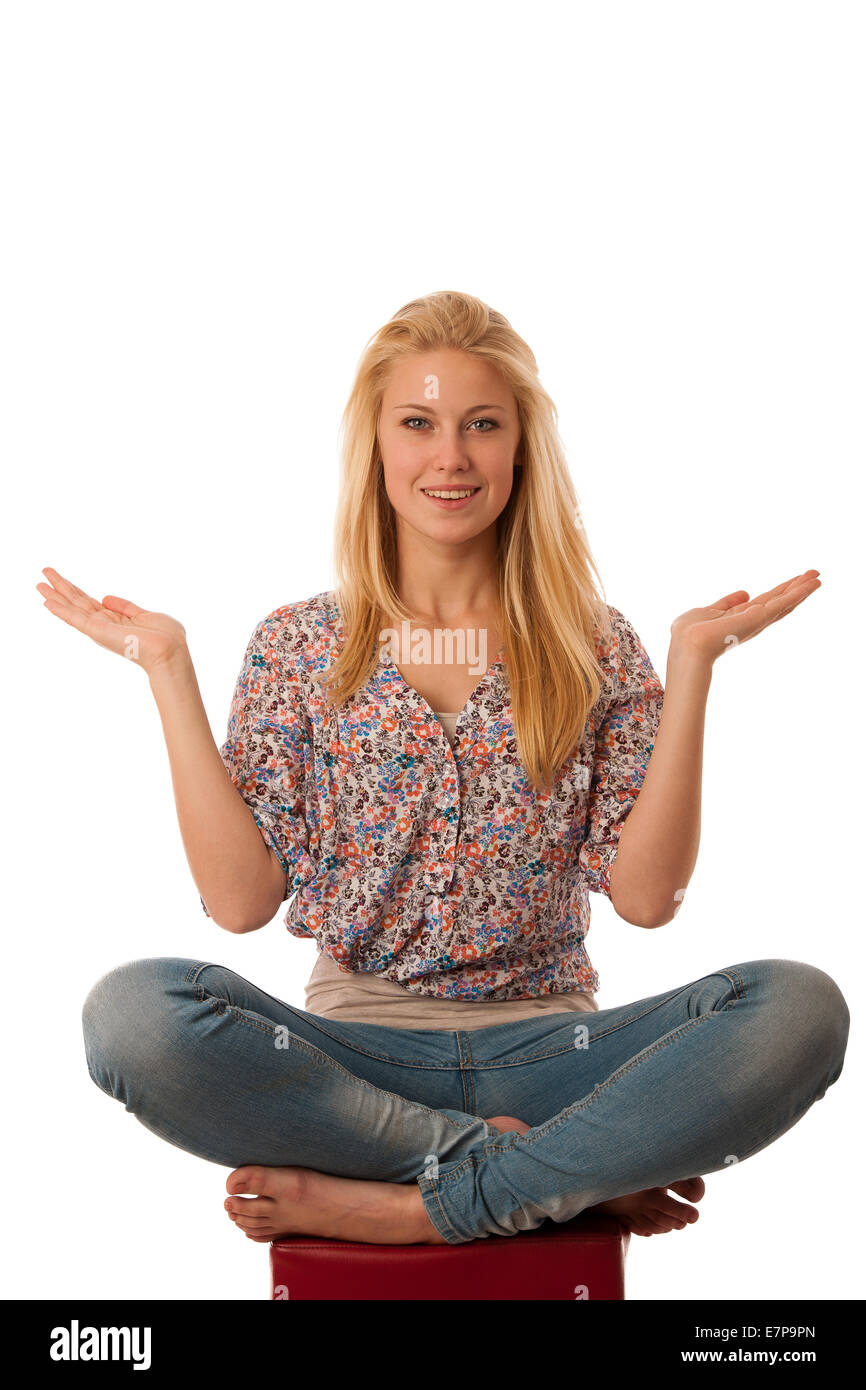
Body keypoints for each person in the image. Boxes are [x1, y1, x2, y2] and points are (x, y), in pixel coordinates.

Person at [39, 290, 848, 1254]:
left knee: (800, 1008)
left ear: (519, 449)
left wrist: (691, 670)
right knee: (132, 1014)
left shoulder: (593, 644)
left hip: (559, 1054)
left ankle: (416, 1204)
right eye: (418, 423)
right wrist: (167, 670)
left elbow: (646, 900)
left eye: (481, 425)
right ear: (377, 447)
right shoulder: (300, 646)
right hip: (354, 1064)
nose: (450, 456)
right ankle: (539, 1173)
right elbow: (238, 903)